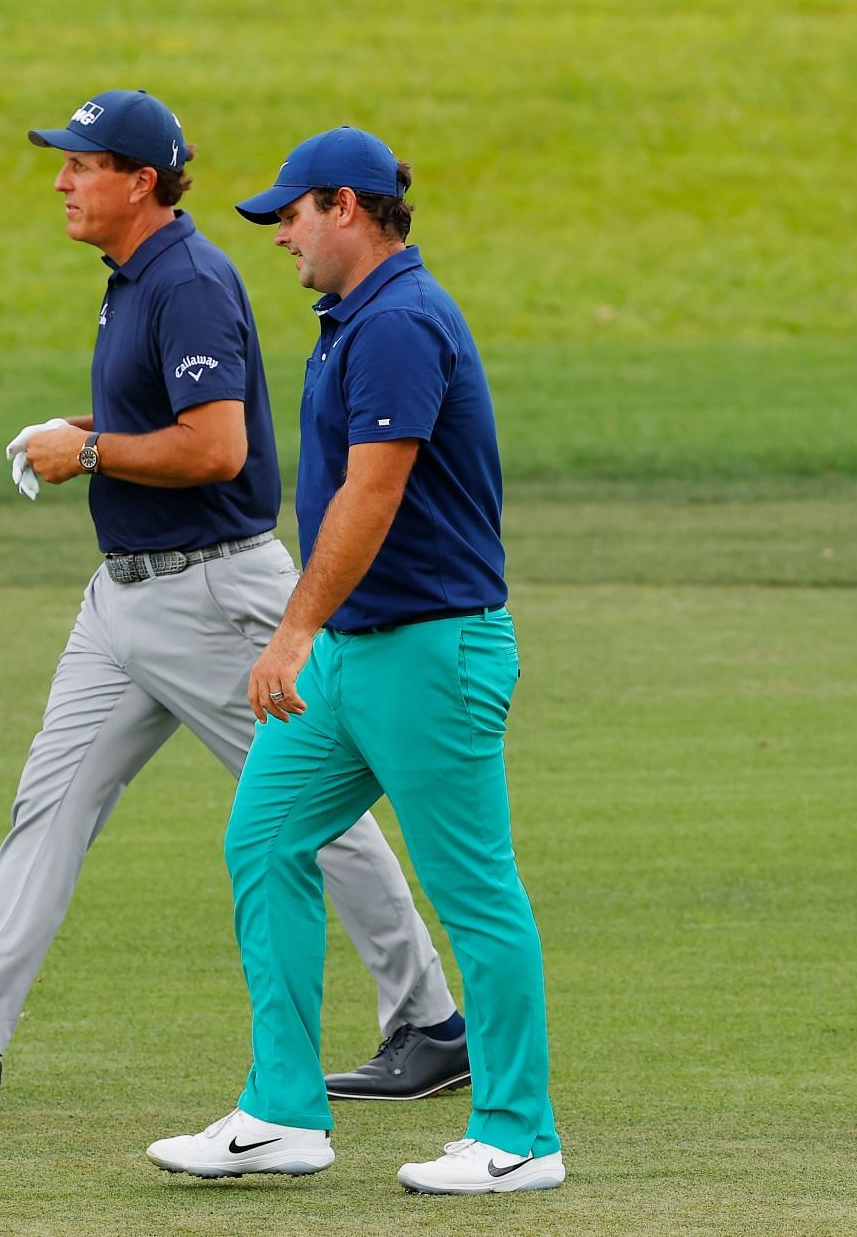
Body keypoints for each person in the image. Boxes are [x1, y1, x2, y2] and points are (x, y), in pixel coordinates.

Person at [0, 93, 470, 1114]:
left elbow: (218, 449)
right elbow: (163, 415)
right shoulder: (134, 281)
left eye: (81, 163)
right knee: (51, 803)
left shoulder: (192, 282)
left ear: (140, 179)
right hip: (124, 600)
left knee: (311, 810)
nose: (62, 180)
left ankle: (432, 1022)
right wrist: (84, 425)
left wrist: (83, 450)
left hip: (211, 594)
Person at [146, 128, 565, 1194]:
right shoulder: (351, 321)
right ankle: (284, 1111)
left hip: (435, 647)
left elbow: (373, 496)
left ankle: (520, 1133)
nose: (281, 235)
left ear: (347, 206)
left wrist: (290, 631)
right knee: (266, 838)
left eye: (292, 214)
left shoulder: (400, 321)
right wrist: (317, 636)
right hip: (358, 650)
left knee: (474, 891)